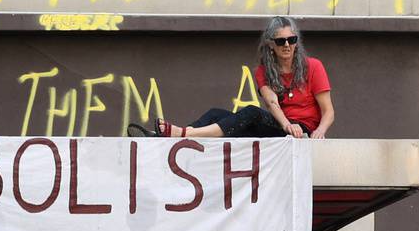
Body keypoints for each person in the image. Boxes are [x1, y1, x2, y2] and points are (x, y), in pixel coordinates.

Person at [132, 16, 333, 140]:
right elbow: (272, 103)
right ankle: (170, 138)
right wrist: (286, 125)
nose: (287, 45)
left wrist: (319, 131)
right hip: (282, 125)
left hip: (302, 131)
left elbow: (328, 111)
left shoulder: (313, 66)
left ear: (297, 42)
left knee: (252, 112)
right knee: (215, 114)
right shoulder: (263, 71)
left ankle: (181, 134)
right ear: (271, 44)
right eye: (281, 41)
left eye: (292, 40)